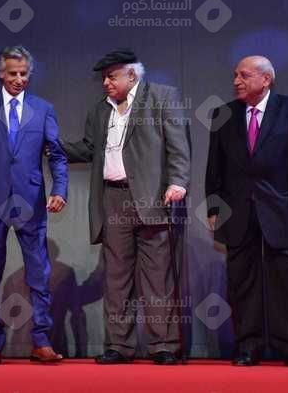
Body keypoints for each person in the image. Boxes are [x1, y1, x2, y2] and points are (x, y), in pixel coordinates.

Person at [60, 48, 190, 365]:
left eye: (111, 76)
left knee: (157, 277)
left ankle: (163, 345)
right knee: (116, 277)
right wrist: (51, 145)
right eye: (104, 78)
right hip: (112, 198)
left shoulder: (161, 97)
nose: (106, 83)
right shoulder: (100, 110)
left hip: (152, 198)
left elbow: (178, 145)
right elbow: (89, 149)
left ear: (131, 75)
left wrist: (178, 181)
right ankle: (119, 345)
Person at [205, 55, 288, 368]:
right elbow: (214, 168)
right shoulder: (223, 114)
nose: (236, 81)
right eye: (235, 75)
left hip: (282, 211)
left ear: (266, 79)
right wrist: (214, 208)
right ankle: (248, 346)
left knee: (287, 283)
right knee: (242, 283)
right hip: (237, 213)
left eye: (244, 75)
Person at [0, 45, 68, 365]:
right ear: (0, 74)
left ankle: (41, 341)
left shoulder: (43, 109)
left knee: (39, 274)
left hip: (30, 201)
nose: (19, 79)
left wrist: (60, 189)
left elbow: (57, 155)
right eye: (13, 74)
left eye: (24, 74)